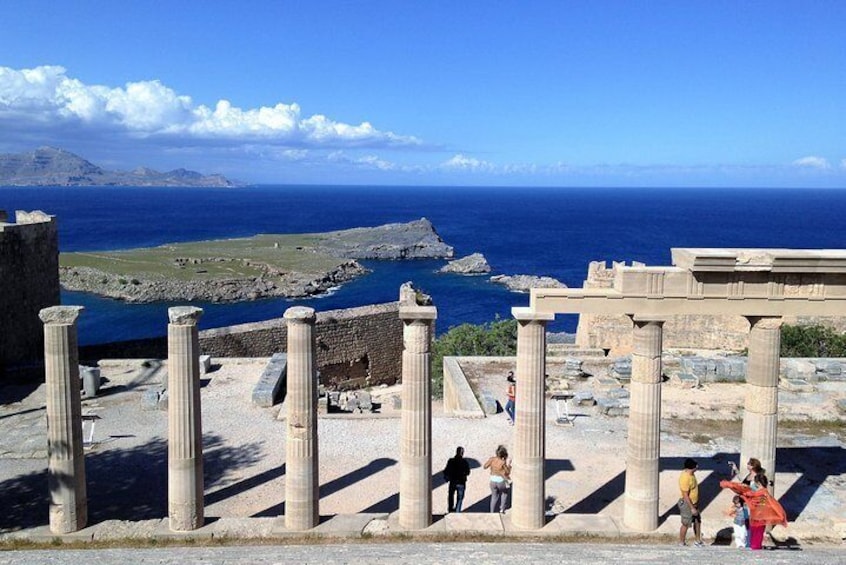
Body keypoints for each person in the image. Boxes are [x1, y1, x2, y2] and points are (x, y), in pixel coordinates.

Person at [720, 472, 787, 551]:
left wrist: (743, 495)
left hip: (758, 520)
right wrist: (743, 496)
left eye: (755, 484)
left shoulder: (763, 493)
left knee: (755, 544)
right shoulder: (760, 493)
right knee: (754, 543)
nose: (754, 485)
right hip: (755, 520)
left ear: (758, 483)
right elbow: (753, 504)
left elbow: (762, 504)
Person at [678, 458, 703, 546]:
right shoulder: (685, 478)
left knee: (698, 521)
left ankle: (698, 540)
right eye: (696, 465)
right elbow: (685, 495)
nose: (698, 466)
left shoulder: (691, 474)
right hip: (687, 504)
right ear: (692, 467)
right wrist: (692, 508)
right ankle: (681, 542)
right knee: (686, 523)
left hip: (694, 503)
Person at [483, 444, 512, 513]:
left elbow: (485, 466)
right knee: (504, 493)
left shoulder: (492, 459)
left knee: (494, 496)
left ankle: (492, 511)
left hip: (492, 480)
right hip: (500, 480)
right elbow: (507, 472)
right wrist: (509, 465)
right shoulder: (502, 462)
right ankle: (502, 508)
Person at [443, 446, 471, 513]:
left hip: (453, 481)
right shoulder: (464, 462)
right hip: (461, 482)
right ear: (462, 453)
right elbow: (468, 472)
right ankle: (457, 511)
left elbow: (446, 470)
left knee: (450, 496)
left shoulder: (451, 461)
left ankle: (450, 509)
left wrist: (446, 477)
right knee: (460, 498)